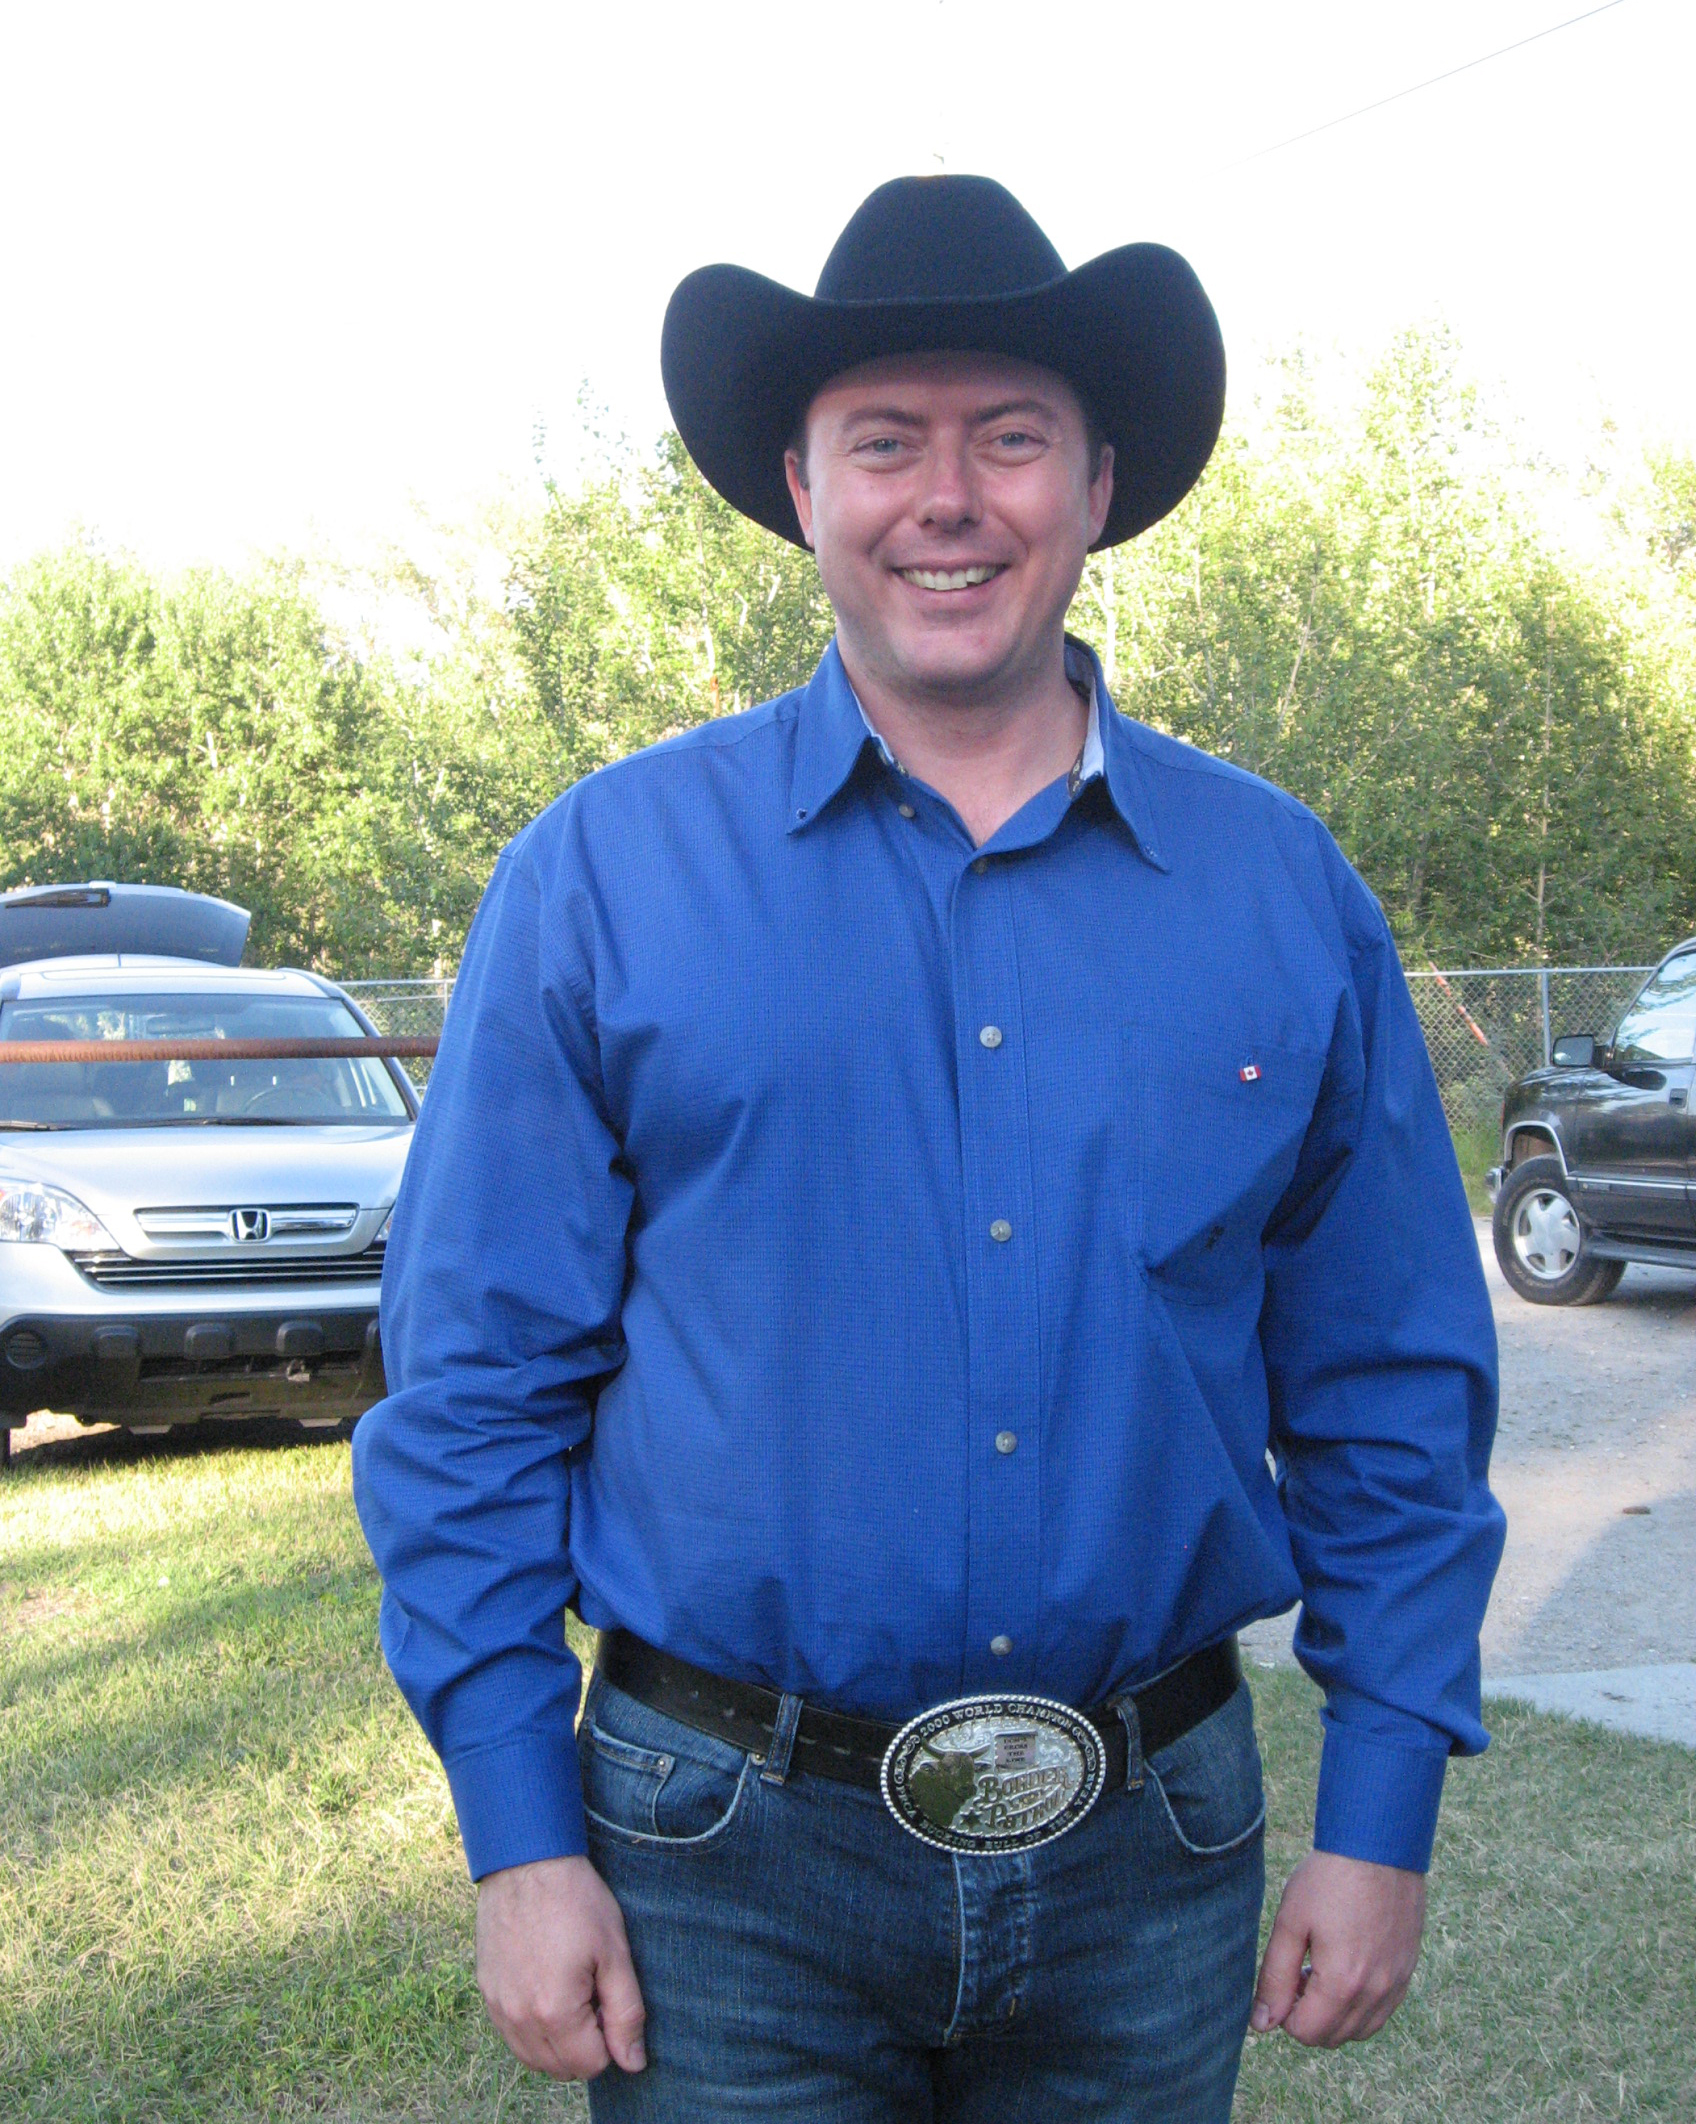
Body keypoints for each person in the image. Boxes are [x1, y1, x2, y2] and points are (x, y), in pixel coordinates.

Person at [353, 174, 1504, 2121]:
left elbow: (1388, 1378)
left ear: (1097, 483)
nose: (945, 498)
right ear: (802, 489)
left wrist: (1381, 1806)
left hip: (1151, 1852)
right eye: (884, 442)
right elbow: (473, 1388)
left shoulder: (1279, 893)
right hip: (718, 1863)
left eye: (1009, 438)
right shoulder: (603, 880)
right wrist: (517, 1833)